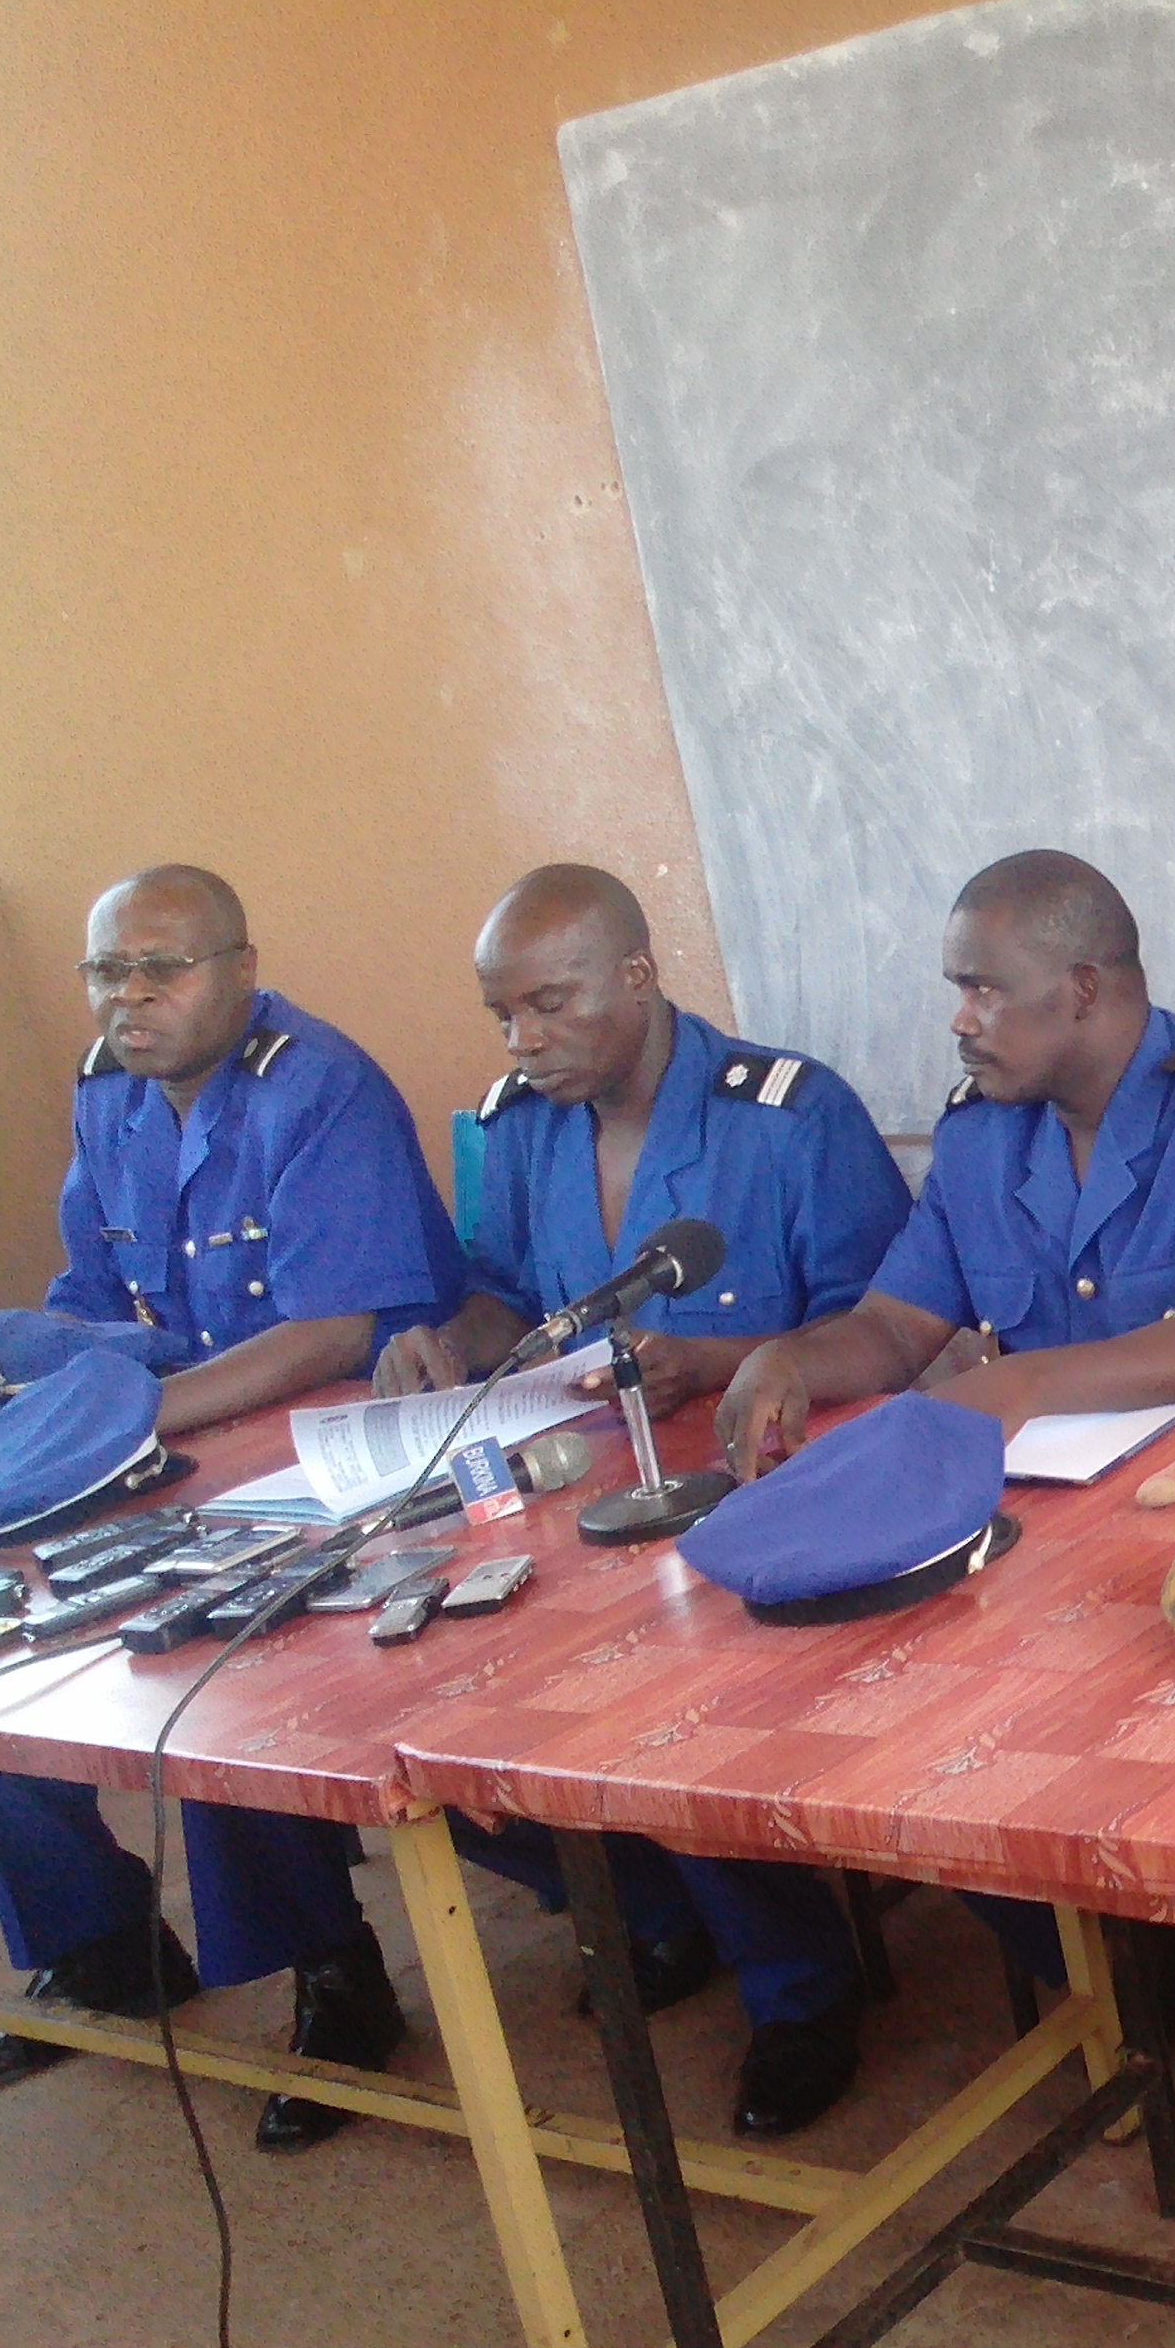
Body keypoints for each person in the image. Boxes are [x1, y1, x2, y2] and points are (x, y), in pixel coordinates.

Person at [711, 848, 1175, 2085]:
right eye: (957, 989)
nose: (960, 1022)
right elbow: (897, 1327)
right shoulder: (985, 1134)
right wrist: (788, 1360)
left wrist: (1022, 1382)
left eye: (986, 990)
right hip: (1039, 1528)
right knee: (892, 1701)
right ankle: (1095, 1956)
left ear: (1088, 989)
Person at [373, 864, 911, 2138]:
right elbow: (504, 1289)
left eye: (551, 1005)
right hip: (584, 1499)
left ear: (637, 975)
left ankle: (798, 1992)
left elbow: (887, 1328)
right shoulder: (514, 1126)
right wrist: (450, 1337)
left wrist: (719, 1363)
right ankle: (651, 1900)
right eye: (503, 1013)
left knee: (675, 1703)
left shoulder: (787, 1115)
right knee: (430, 1692)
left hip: (768, 1480)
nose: (525, 1040)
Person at [0, 866, 466, 2153]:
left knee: (205, 1671)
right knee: (8, 1645)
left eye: (165, 968)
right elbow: (91, 1301)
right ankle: (101, 1944)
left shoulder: (318, 1085)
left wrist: (141, 1420)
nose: (130, 998)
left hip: (336, 1437)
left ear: (242, 967)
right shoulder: (109, 1093)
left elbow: (334, 1330)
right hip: (182, 1436)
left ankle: (336, 1975)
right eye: (106, 972)